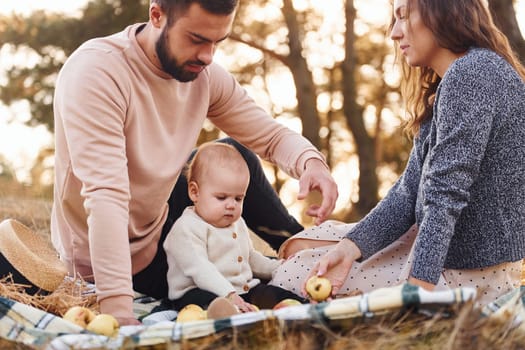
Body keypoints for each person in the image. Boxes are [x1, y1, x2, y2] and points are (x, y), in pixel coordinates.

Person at [51, 0, 338, 325]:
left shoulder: (202, 74)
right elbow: (107, 197)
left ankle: (306, 255)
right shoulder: (97, 72)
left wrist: (310, 162)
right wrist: (118, 307)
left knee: (233, 154)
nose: (207, 55)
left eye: (217, 42)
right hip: (116, 255)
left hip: (161, 219)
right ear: (156, 15)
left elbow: (270, 136)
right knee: (226, 291)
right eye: (196, 38)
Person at [270, 0, 525, 307]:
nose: (393, 33)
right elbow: (407, 193)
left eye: (403, 16)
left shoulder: (472, 75)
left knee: (292, 273)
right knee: (299, 248)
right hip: (438, 251)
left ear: (443, 10)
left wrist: (415, 294)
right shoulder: (460, 77)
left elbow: (445, 197)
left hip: (464, 271)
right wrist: (350, 249)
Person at [163, 142, 306, 313]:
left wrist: (277, 267)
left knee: (272, 294)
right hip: (197, 291)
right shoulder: (186, 228)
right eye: (221, 197)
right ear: (195, 192)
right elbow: (200, 268)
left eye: (238, 199)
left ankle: (307, 306)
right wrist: (228, 294)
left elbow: (250, 257)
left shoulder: (236, 223)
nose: (231, 205)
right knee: (206, 302)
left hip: (241, 290)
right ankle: (225, 316)